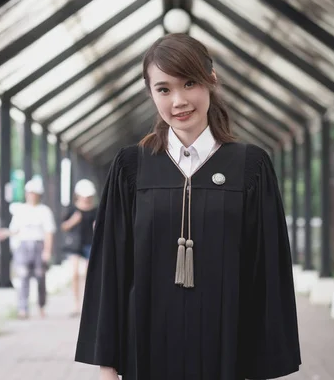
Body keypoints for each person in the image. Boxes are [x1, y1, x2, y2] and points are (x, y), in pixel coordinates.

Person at [75, 33, 301, 380]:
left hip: (226, 351)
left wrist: (264, 369)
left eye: (189, 83)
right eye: (163, 89)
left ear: (212, 79)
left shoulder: (250, 168)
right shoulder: (131, 167)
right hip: (146, 349)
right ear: (151, 93)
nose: (178, 100)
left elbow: (267, 273)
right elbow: (112, 270)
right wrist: (108, 368)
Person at [0, 178, 56, 319]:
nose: (31, 195)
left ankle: (41, 305)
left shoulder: (44, 211)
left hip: (38, 245)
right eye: (29, 192)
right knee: (23, 277)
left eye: (34, 193)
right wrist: (5, 233)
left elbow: (48, 232)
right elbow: (15, 229)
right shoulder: (20, 210)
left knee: (40, 277)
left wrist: (47, 251)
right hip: (23, 246)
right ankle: (22, 308)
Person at [61, 179, 98, 315]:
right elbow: (64, 226)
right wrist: (73, 221)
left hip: (91, 243)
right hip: (75, 245)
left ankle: (87, 302)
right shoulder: (72, 209)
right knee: (75, 273)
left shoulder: (96, 209)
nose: (87, 199)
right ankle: (76, 304)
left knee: (89, 274)